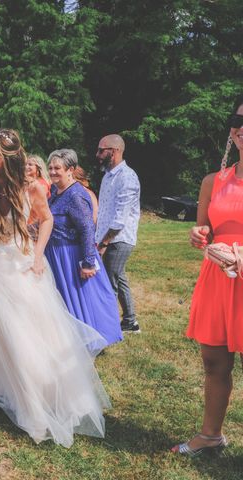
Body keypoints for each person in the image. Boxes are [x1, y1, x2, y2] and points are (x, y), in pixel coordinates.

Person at [0, 129, 110, 448]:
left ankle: (38, 400)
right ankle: (5, 385)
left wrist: (39, 254)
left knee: (27, 331)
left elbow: (46, 220)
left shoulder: (31, 188)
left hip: (21, 264)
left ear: (9, 159)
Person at [172, 97, 243, 456]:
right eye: (238, 120)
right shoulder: (213, 182)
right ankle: (211, 435)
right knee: (214, 362)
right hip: (218, 280)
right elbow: (205, 231)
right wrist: (200, 237)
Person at [44, 149, 122, 347]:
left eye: (57, 168)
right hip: (55, 253)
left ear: (70, 169)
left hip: (71, 254)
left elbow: (87, 229)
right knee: (63, 296)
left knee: (82, 296)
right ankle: (68, 337)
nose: (52, 172)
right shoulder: (55, 191)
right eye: (50, 167)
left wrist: (88, 263)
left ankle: (93, 339)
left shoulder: (75, 195)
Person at [95, 134, 141, 333]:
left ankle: (108, 328)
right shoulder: (108, 175)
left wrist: (104, 242)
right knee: (118, 277)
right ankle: (130, 322)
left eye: (101, 150)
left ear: (113, 152)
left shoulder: (127, 177)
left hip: (118, 239)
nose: (97, 154)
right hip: (107, 237)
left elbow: (120, 219)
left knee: (109, 282)